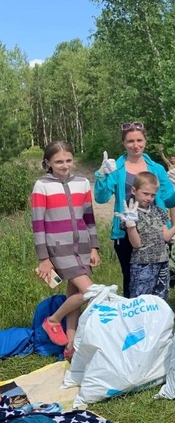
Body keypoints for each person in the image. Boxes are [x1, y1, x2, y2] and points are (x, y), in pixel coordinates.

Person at [94, 121, 175, 297]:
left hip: (154, 233)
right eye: (130, 141)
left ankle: (156, 320)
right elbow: (101, 197)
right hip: (126, 233)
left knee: (157, 278)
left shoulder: (156, 169)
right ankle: (132, 319)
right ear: (124, 143)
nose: (135, 145)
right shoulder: (116, 169)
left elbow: (168, 200)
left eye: (139, 140)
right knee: (131, 279)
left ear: (145, 141)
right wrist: (101, 176)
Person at [34, 141, 100, 358]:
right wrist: (44, 258)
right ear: (48, 163)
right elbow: (38, 224)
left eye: (68, 160)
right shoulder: (42, 185)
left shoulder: (82, 183)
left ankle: (70, 347)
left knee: (75, 294)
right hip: (58, 248)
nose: (64, 165)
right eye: (58, 161)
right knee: (90, 292)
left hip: (81, 246)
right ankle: (52, 321)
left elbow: (89, 218)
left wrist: (94, 246)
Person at [118, 172, 175, 300]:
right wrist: (131, 225)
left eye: (153, 195)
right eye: (145, 193)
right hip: (142, 263)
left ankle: (159, 320)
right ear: (134, 190)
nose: (149, 198)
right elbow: (136, 244)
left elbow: (166, 237)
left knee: (160, 299)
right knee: (141, 299)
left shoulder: (158, 211)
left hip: (162, 261)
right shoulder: (130, 213)